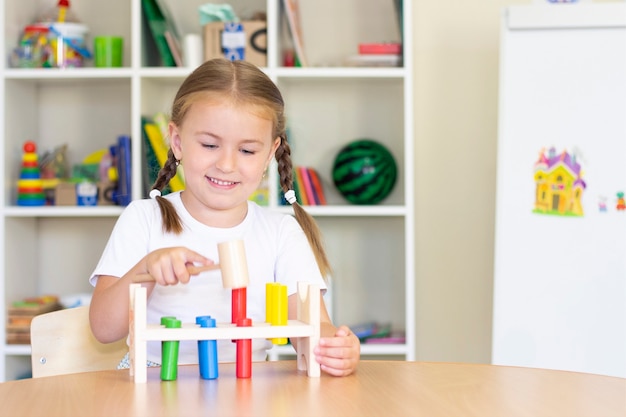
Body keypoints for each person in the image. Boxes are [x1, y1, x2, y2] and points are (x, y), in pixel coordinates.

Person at [89, 58, 360, 377]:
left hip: (249, 383)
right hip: (156, 382)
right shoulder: (144, 219)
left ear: (269, 155)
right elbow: (104, 329)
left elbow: (312, 331)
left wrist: (334, 347)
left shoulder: (281, 232)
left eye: (247, 151)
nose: (227, 164)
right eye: (209, 144)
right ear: (177, 142)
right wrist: (144, 271)